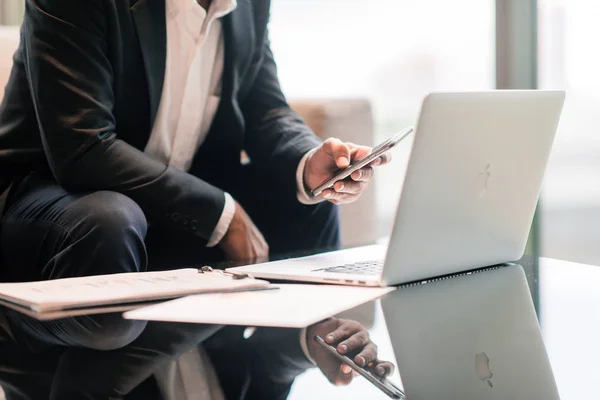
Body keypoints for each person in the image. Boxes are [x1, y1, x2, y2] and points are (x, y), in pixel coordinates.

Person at [0, 0, 394, 398]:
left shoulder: (248, 5)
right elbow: (81, 148)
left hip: (176, 210)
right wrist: (222, 214)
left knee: (308, 198)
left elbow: (266, 109)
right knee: (111, 222)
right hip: (57, 199)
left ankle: (307, 339)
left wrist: (309, 164)